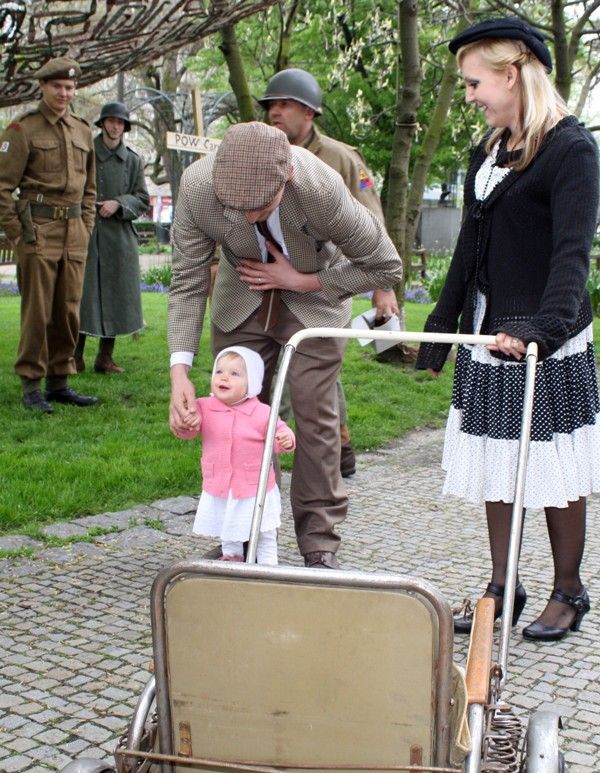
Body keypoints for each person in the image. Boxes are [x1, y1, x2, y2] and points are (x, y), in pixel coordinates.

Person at [416, 18, 599, 641]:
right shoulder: (489, 151)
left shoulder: (572, 150)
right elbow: (469, 244)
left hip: (548, 338)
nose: (468, 95)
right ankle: (503, 587)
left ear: (510, 73)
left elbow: (572, 255)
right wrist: (441, 323)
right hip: (490, 335)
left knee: (552, 468)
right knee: (500, 463)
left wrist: (543, 331)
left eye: (473, 83)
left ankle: (569, 589)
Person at [168, 121, 402, 569]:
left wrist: (304, 280)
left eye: (261, 206)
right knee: (238, 417)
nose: (250, 217)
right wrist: (179, 368)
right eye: (238, 207)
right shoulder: (198, 186)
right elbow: (187, 279)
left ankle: (319, 541)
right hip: (243, 298)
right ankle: (244, 534)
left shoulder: (320, 187)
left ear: (287, 176)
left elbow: (385, 265)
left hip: (314, 299)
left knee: (314, 419)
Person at [258, 68, 400, 477]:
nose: (274, 112)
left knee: (315, 365)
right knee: (283, 365)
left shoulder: (341, 159)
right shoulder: (263, 151)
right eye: (271, 105)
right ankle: (312, 449)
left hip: (325, 282)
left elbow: (374, 228)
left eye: (283, 104)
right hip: (270, 282)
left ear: (308, 111)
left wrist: (382, 289)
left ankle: (325, 449)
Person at [0, 56, 98, 412]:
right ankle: (31, 385)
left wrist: (86, 227)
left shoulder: (83, 130)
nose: (64, 93)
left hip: (74, 231)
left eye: (70, 87)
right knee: (37, 312)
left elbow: (90, 189)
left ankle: (59, 381)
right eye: (57, 86)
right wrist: (18, 233)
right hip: (36, 230)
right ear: (42, 87)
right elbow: (2, 187)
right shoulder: (23, 130)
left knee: (69, 311)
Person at [176, 346, 295, 565]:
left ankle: (269, 564)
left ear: (252, 382)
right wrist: (188, 424)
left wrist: (285, 439)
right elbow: (190, 431)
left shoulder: (261, 412)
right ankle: (232, 556)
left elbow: (278, 433)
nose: (224, 378)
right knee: (227, 523)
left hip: (254, 485)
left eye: (234, 374)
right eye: (219, 372)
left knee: (263, 530)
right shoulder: (204, 406)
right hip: (222, 482)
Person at [75, 102, 150, 374]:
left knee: (118, 296)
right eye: (111, 121)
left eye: (121, 122)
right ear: (103, 123)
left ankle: (105, 358)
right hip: (87, 232)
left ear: (125, 127)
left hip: (119, 238)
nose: (115, 126)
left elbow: (142, 198)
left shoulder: (133, 160)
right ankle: (75, 356)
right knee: (82, 294)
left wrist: (119, 203)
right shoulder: (86, 153)